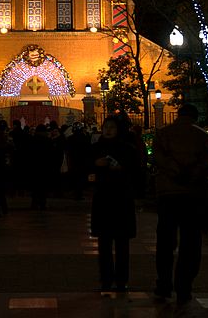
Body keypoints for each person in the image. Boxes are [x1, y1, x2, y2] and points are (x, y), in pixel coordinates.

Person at [152, 103, 208, 306]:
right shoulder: (205, 138)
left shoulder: (163, 134)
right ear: (195, 117)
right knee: (190, 243)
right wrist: (192, 175)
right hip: (193, 195)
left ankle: (164, 284)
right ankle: (184, 287)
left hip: (168, 194)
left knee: (165, 242)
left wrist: (175, 172)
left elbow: (159, 159)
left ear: (178, 115)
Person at [90, 117, 138, 292]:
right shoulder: (96, 149)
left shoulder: (127, 149)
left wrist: (121, 168)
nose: (108, 130)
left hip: (122, 198)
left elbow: (136, 171)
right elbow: (85, 168)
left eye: (112, 127)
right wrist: (95, 164)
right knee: (104, 243)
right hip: (103, 198)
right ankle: (106, 278)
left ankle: (122, 279)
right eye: (105, 127)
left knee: (122, 243)